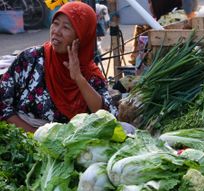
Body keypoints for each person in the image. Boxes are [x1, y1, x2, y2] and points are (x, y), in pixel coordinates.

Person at [0, 1, 117, 133]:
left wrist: (78, 78)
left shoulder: (89, 73)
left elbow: (106, 116)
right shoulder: (31, 58)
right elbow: (2, 102)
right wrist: (33, 134)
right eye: (55, 23)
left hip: (66, 145)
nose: (56, 31)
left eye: (66, 27)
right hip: (24, 136)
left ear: (81, 37)